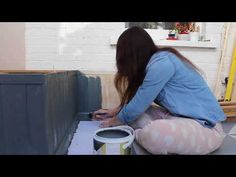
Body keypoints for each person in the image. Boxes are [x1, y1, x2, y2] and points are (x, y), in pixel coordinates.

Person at [93, 26, 226, 155]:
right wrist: (115, 112)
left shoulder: (162, 64)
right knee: (136, 114)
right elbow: (138, 101)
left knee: (152, 131)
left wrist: (112, 122)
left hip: (207, 128)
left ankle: (141, 133)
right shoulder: (154, 63)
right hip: (180, 118)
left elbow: (137, 105)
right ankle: (144, 131)